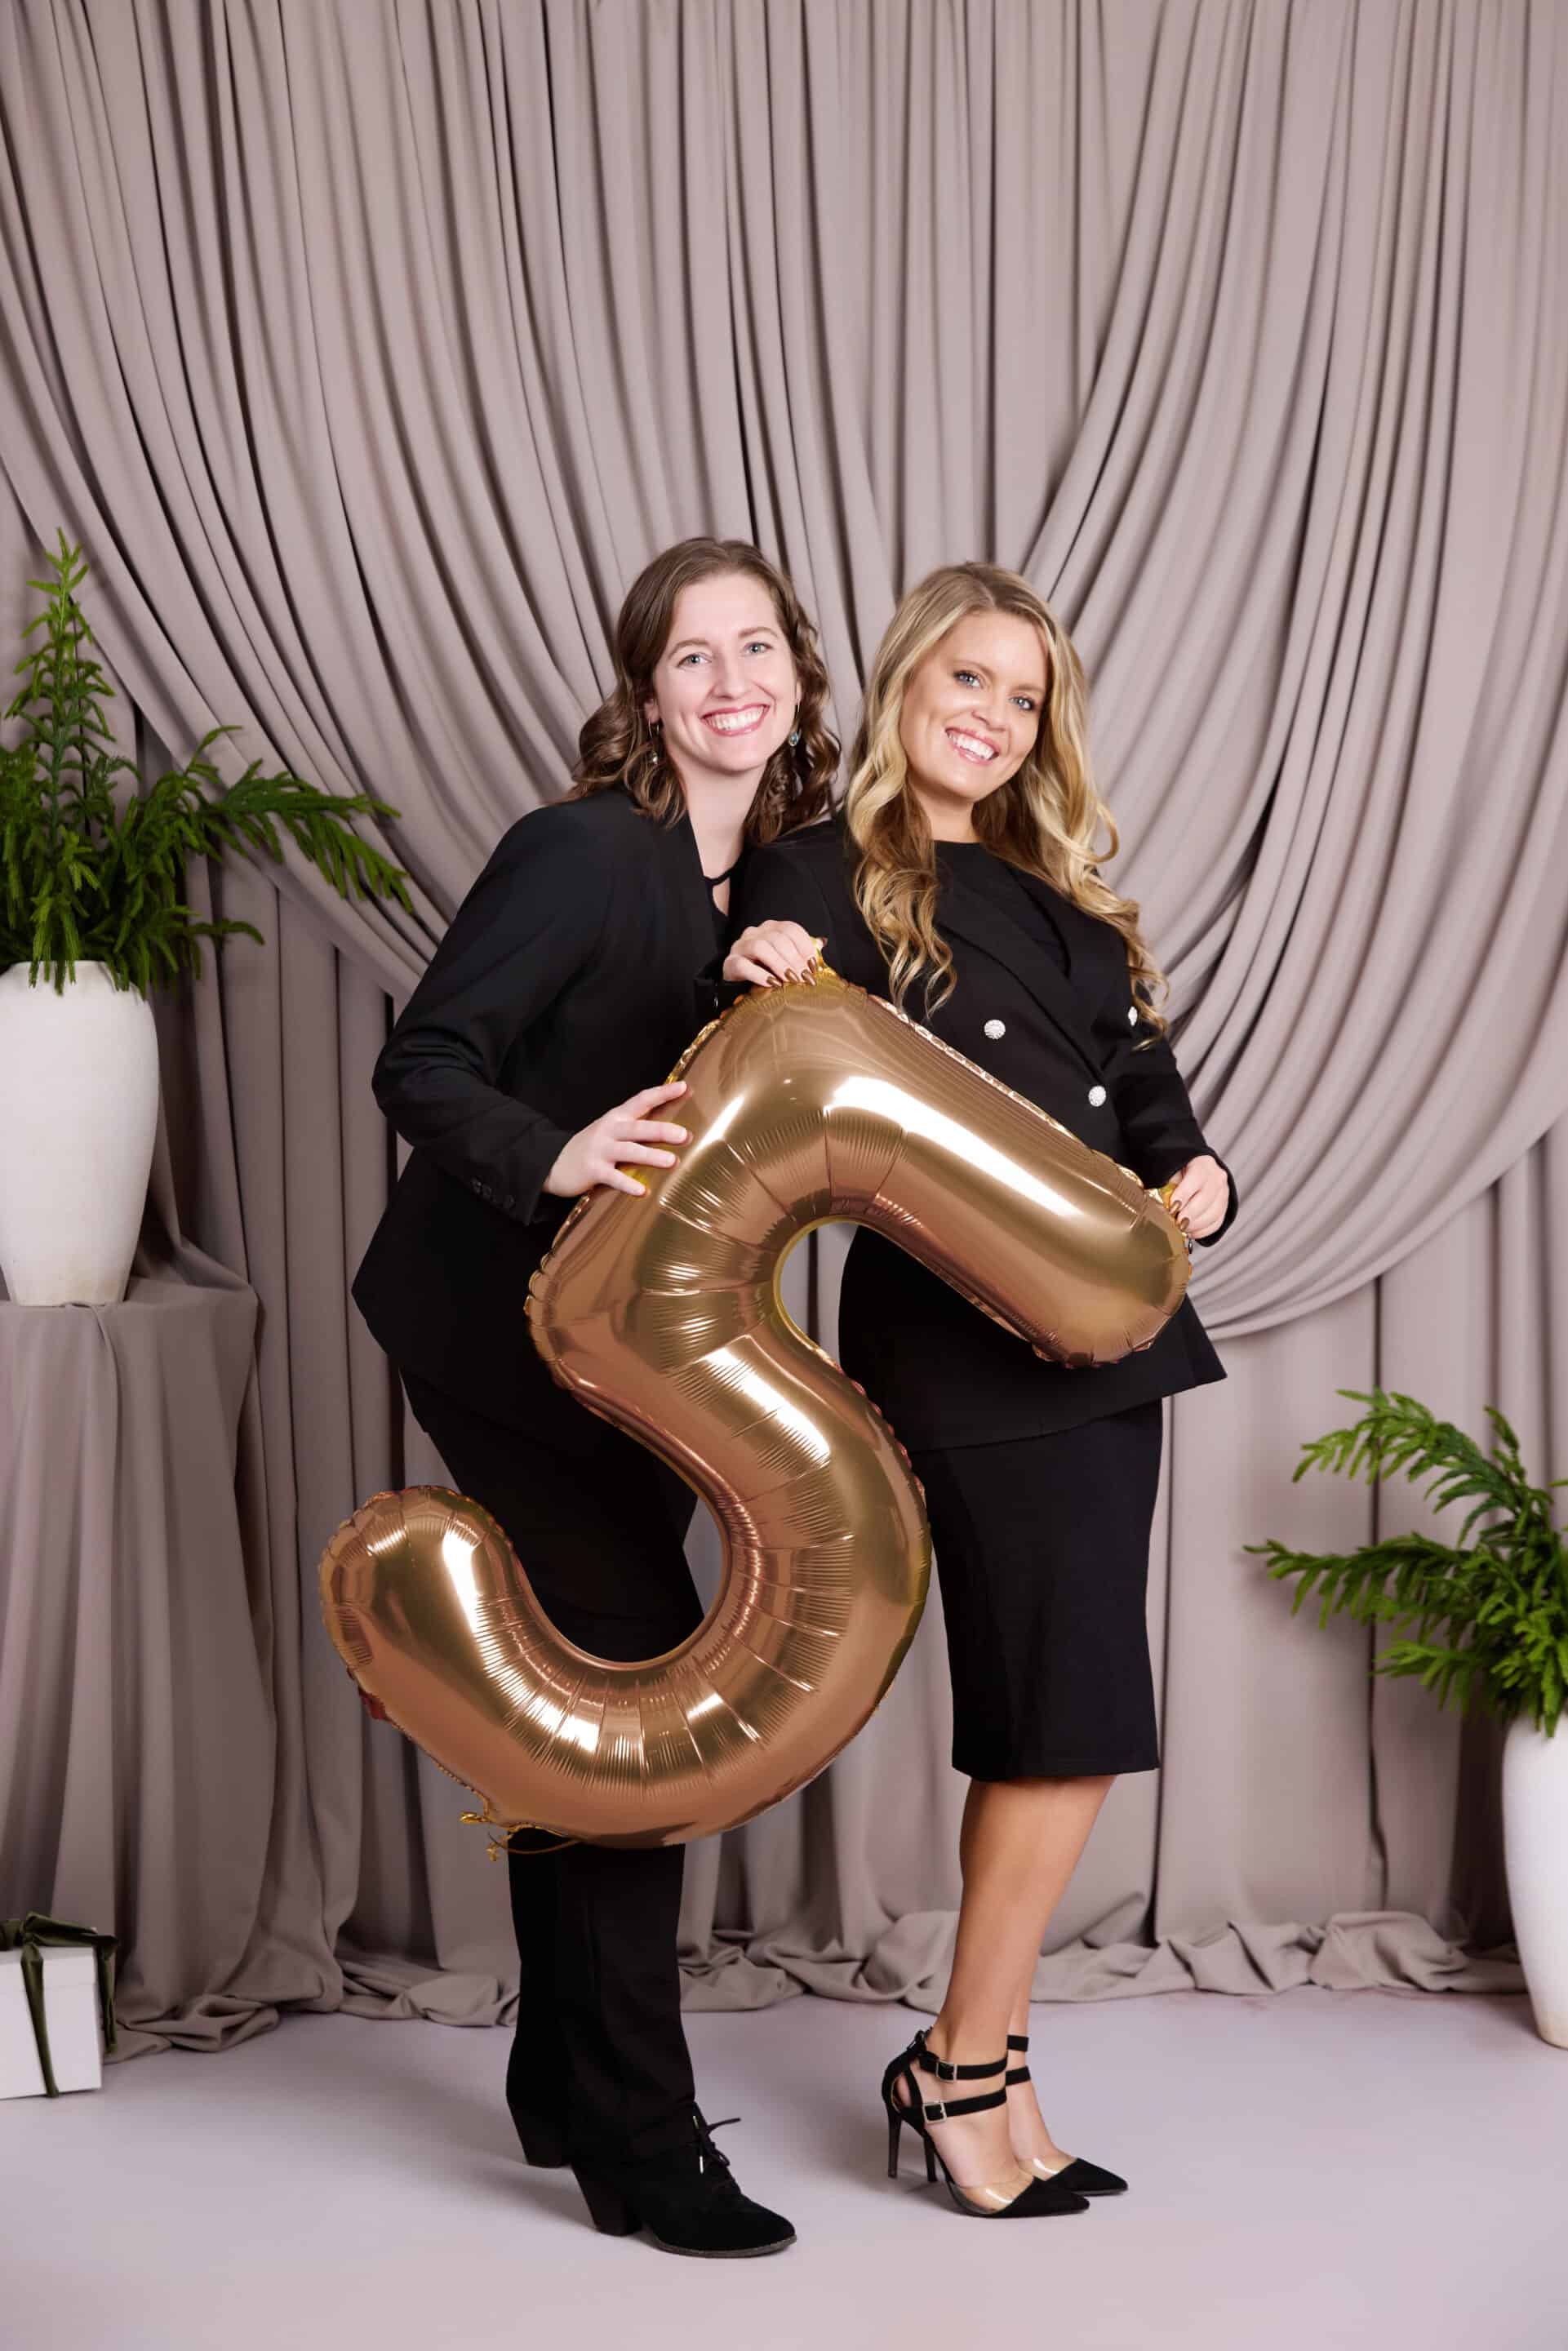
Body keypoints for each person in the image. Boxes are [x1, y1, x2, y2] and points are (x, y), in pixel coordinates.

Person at [725, 561, 1237, 2221]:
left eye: (1023, 697)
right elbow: (749, 1069)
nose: (993, 716)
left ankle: (989, 2064)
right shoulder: (812, 872)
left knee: (1059, 1721)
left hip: (1108, 1336)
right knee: (1055, 1712)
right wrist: (752, 959)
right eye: (968, 678)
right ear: (905, 682)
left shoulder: (1066, 897)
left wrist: (1201, 1176)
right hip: (956, 1340)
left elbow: (1148, 1098)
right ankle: (957, 2065)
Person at [352, 536, 837, 2256]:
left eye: (757, 649)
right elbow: (423, 1059)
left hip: (625, 1352)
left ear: (799, 675)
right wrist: (552, 1153)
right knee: (643, 1700)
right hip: (497, 1330)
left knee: (588, 1689)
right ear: (646, 692)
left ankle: (560, 2083)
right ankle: (642, 2142)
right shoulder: (579, 848)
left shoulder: (760, 883)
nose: (730, 684)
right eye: (692, 657)